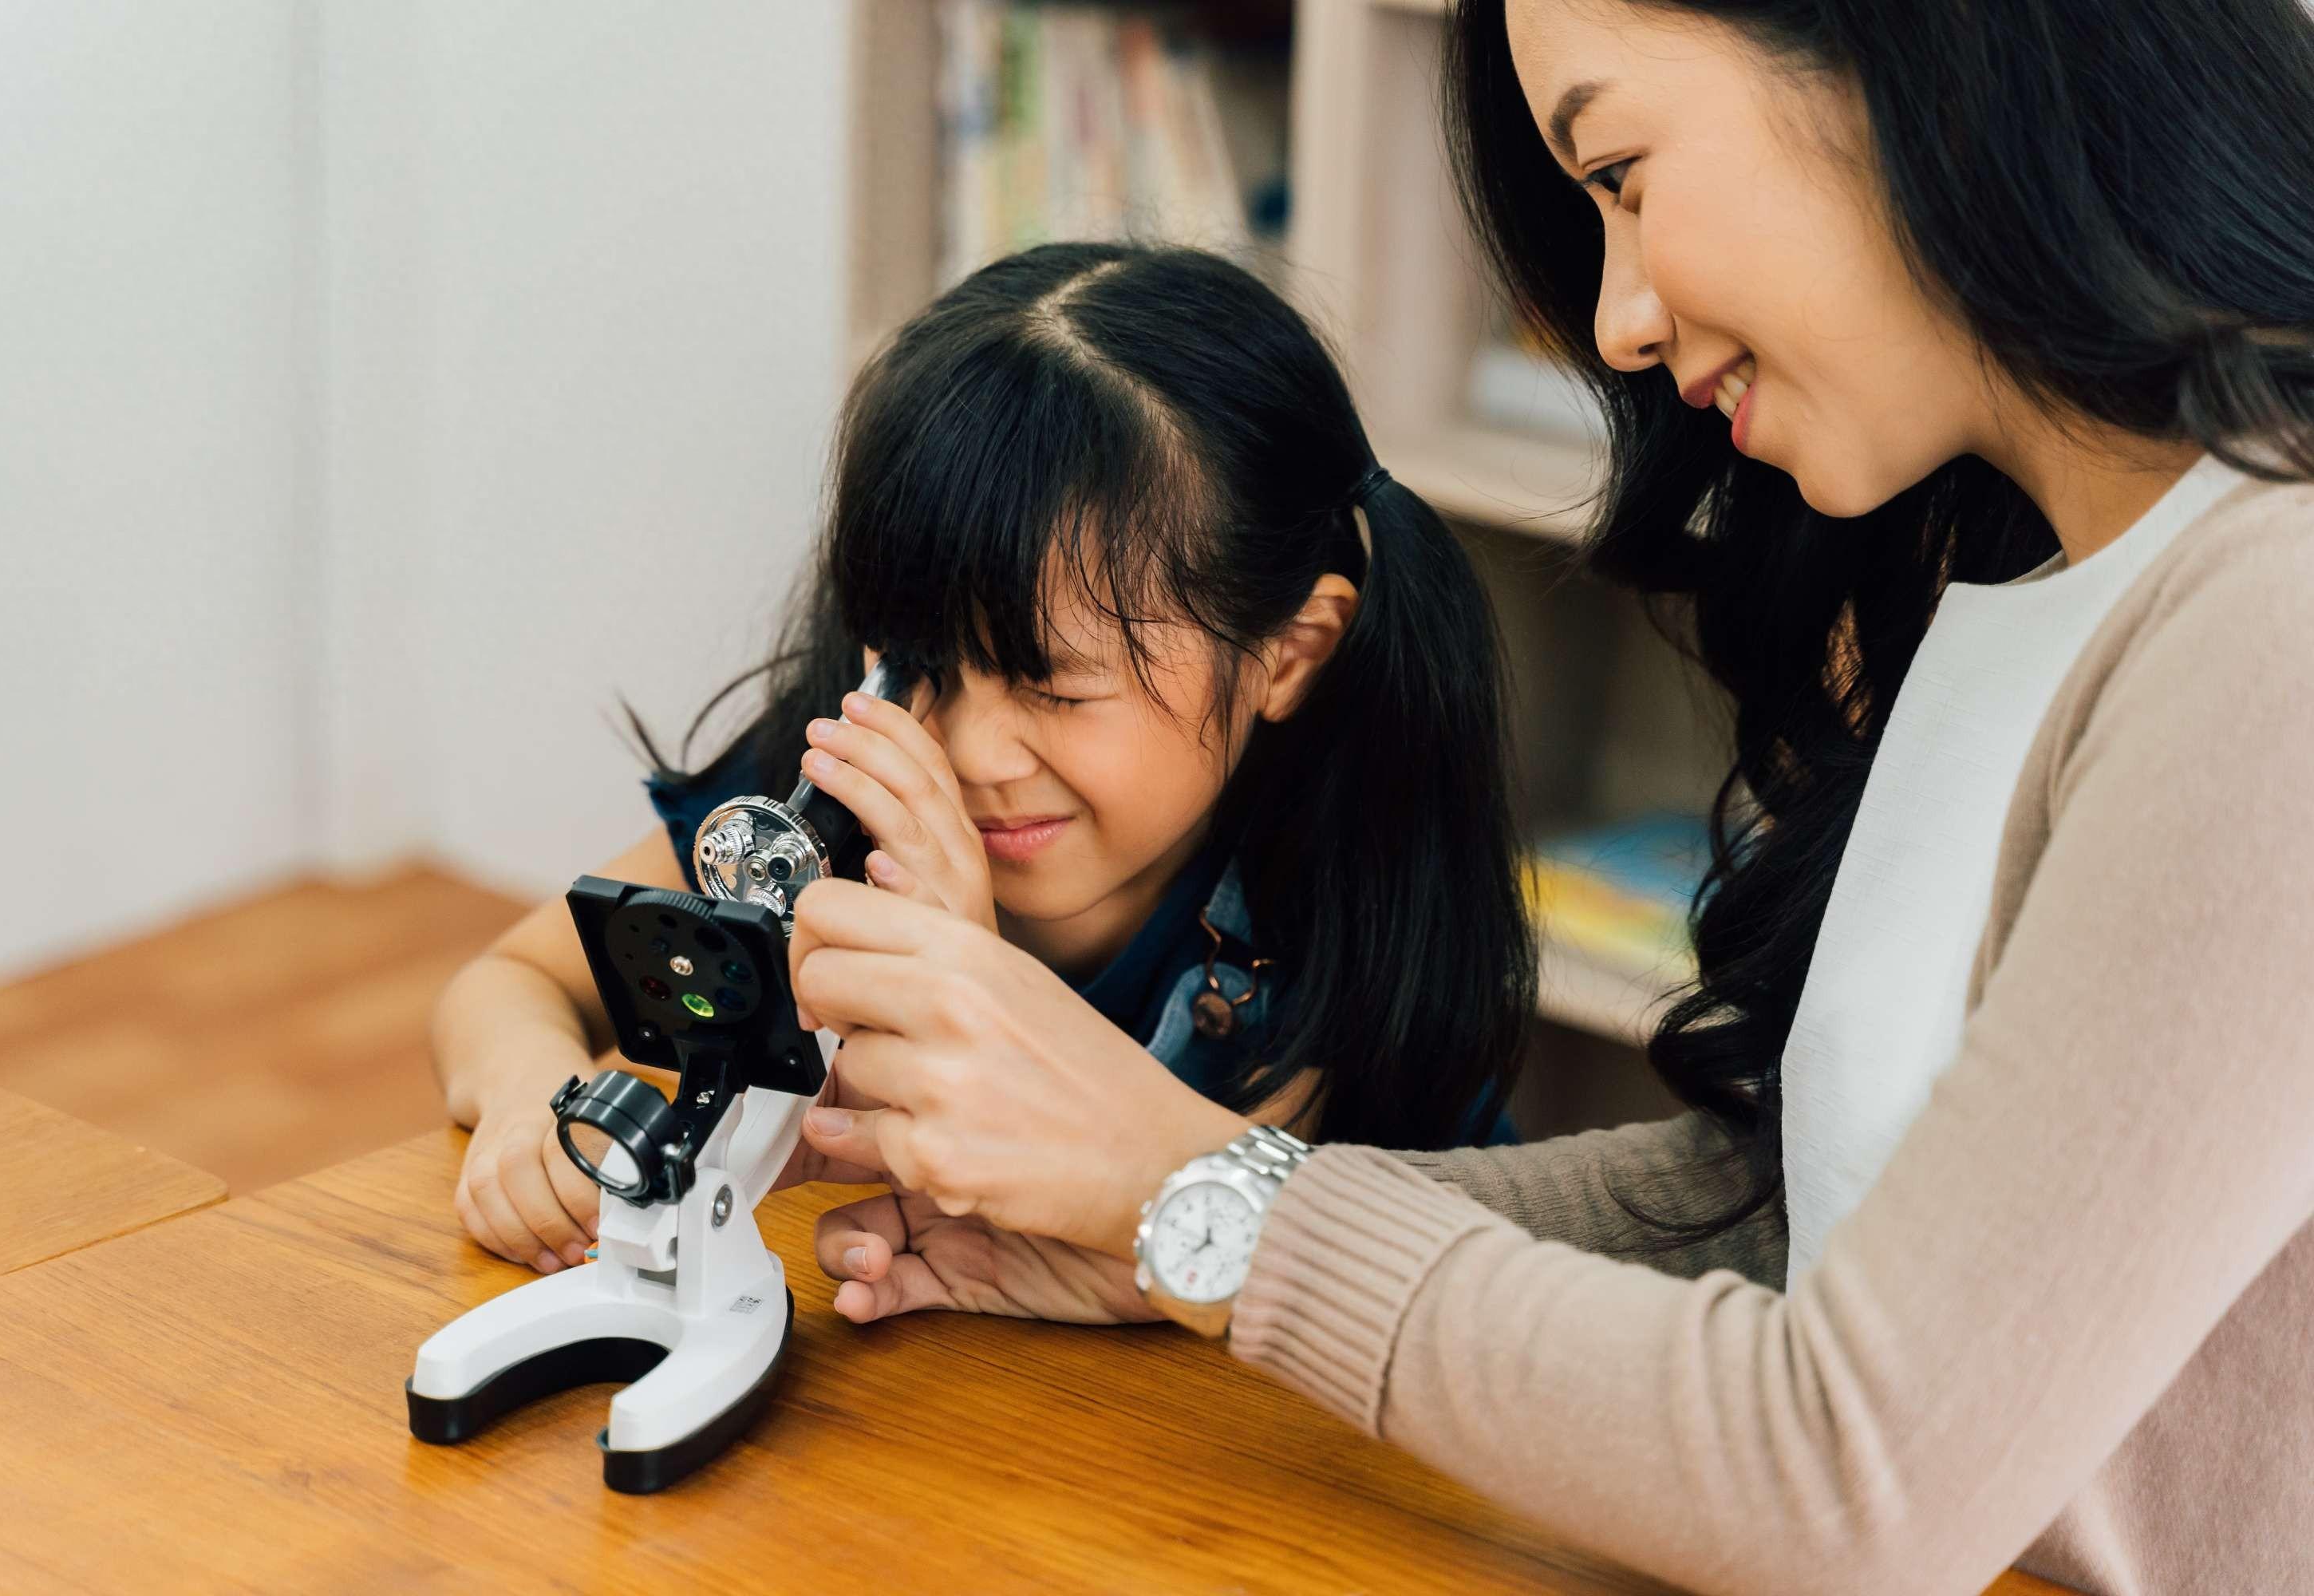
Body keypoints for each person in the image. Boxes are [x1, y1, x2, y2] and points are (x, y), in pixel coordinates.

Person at [776, 1, 2314, 1591]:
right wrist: (1172, 1246)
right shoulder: (2014, 565)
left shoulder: (2276, 623)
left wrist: (1195, 1200)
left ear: (1917, 63)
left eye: (1624, 176)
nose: (1620, 317)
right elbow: (1794, 1214)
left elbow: (1850, 1480)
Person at [430, 241, 1530, 1278]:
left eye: (1055, 686)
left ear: (1287, 655)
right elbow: (511, 979)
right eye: (919, 662)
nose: (970, 750)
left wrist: (963, 986)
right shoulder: (827, 803)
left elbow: (1332, 1253)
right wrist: (531, 1091)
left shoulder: (1344, 890)